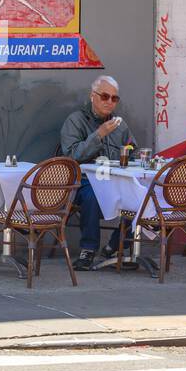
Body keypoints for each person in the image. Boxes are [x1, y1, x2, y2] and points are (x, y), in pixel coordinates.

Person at [60, 75, 135, 271]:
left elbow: (132, 149)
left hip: (114, 179)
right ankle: (88, 249)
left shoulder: (120, 124)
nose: (109, 102)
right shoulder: (75, 120)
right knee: (92, 196)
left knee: (137, 193)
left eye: (114, 98)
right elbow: (71, 156)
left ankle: (117, 244)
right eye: (104, 96)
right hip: (84, 180)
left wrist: (128, 153)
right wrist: (99, 135)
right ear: (92, 96)